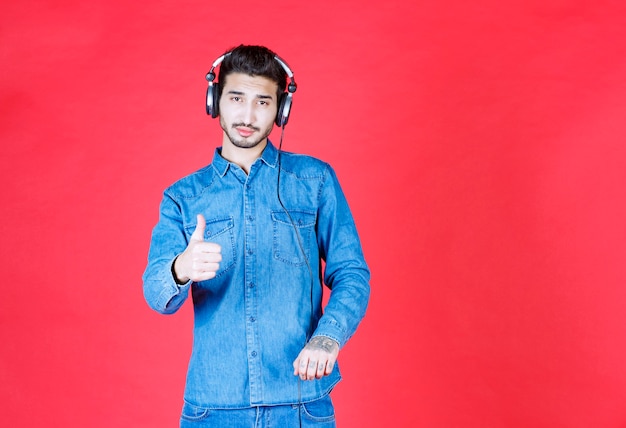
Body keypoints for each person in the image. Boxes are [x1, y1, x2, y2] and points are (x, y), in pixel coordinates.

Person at [142, 44, 370, 427]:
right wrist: (181, 268)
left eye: (263, 102)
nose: (247, 115)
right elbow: (155, 293)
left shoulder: (315, 181)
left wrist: (328, 337)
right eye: (236, 98)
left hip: (300, 405)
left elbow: (352, 273)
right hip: (212, 410)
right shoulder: (182, 197)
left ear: (281, 109)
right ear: (215, 102)